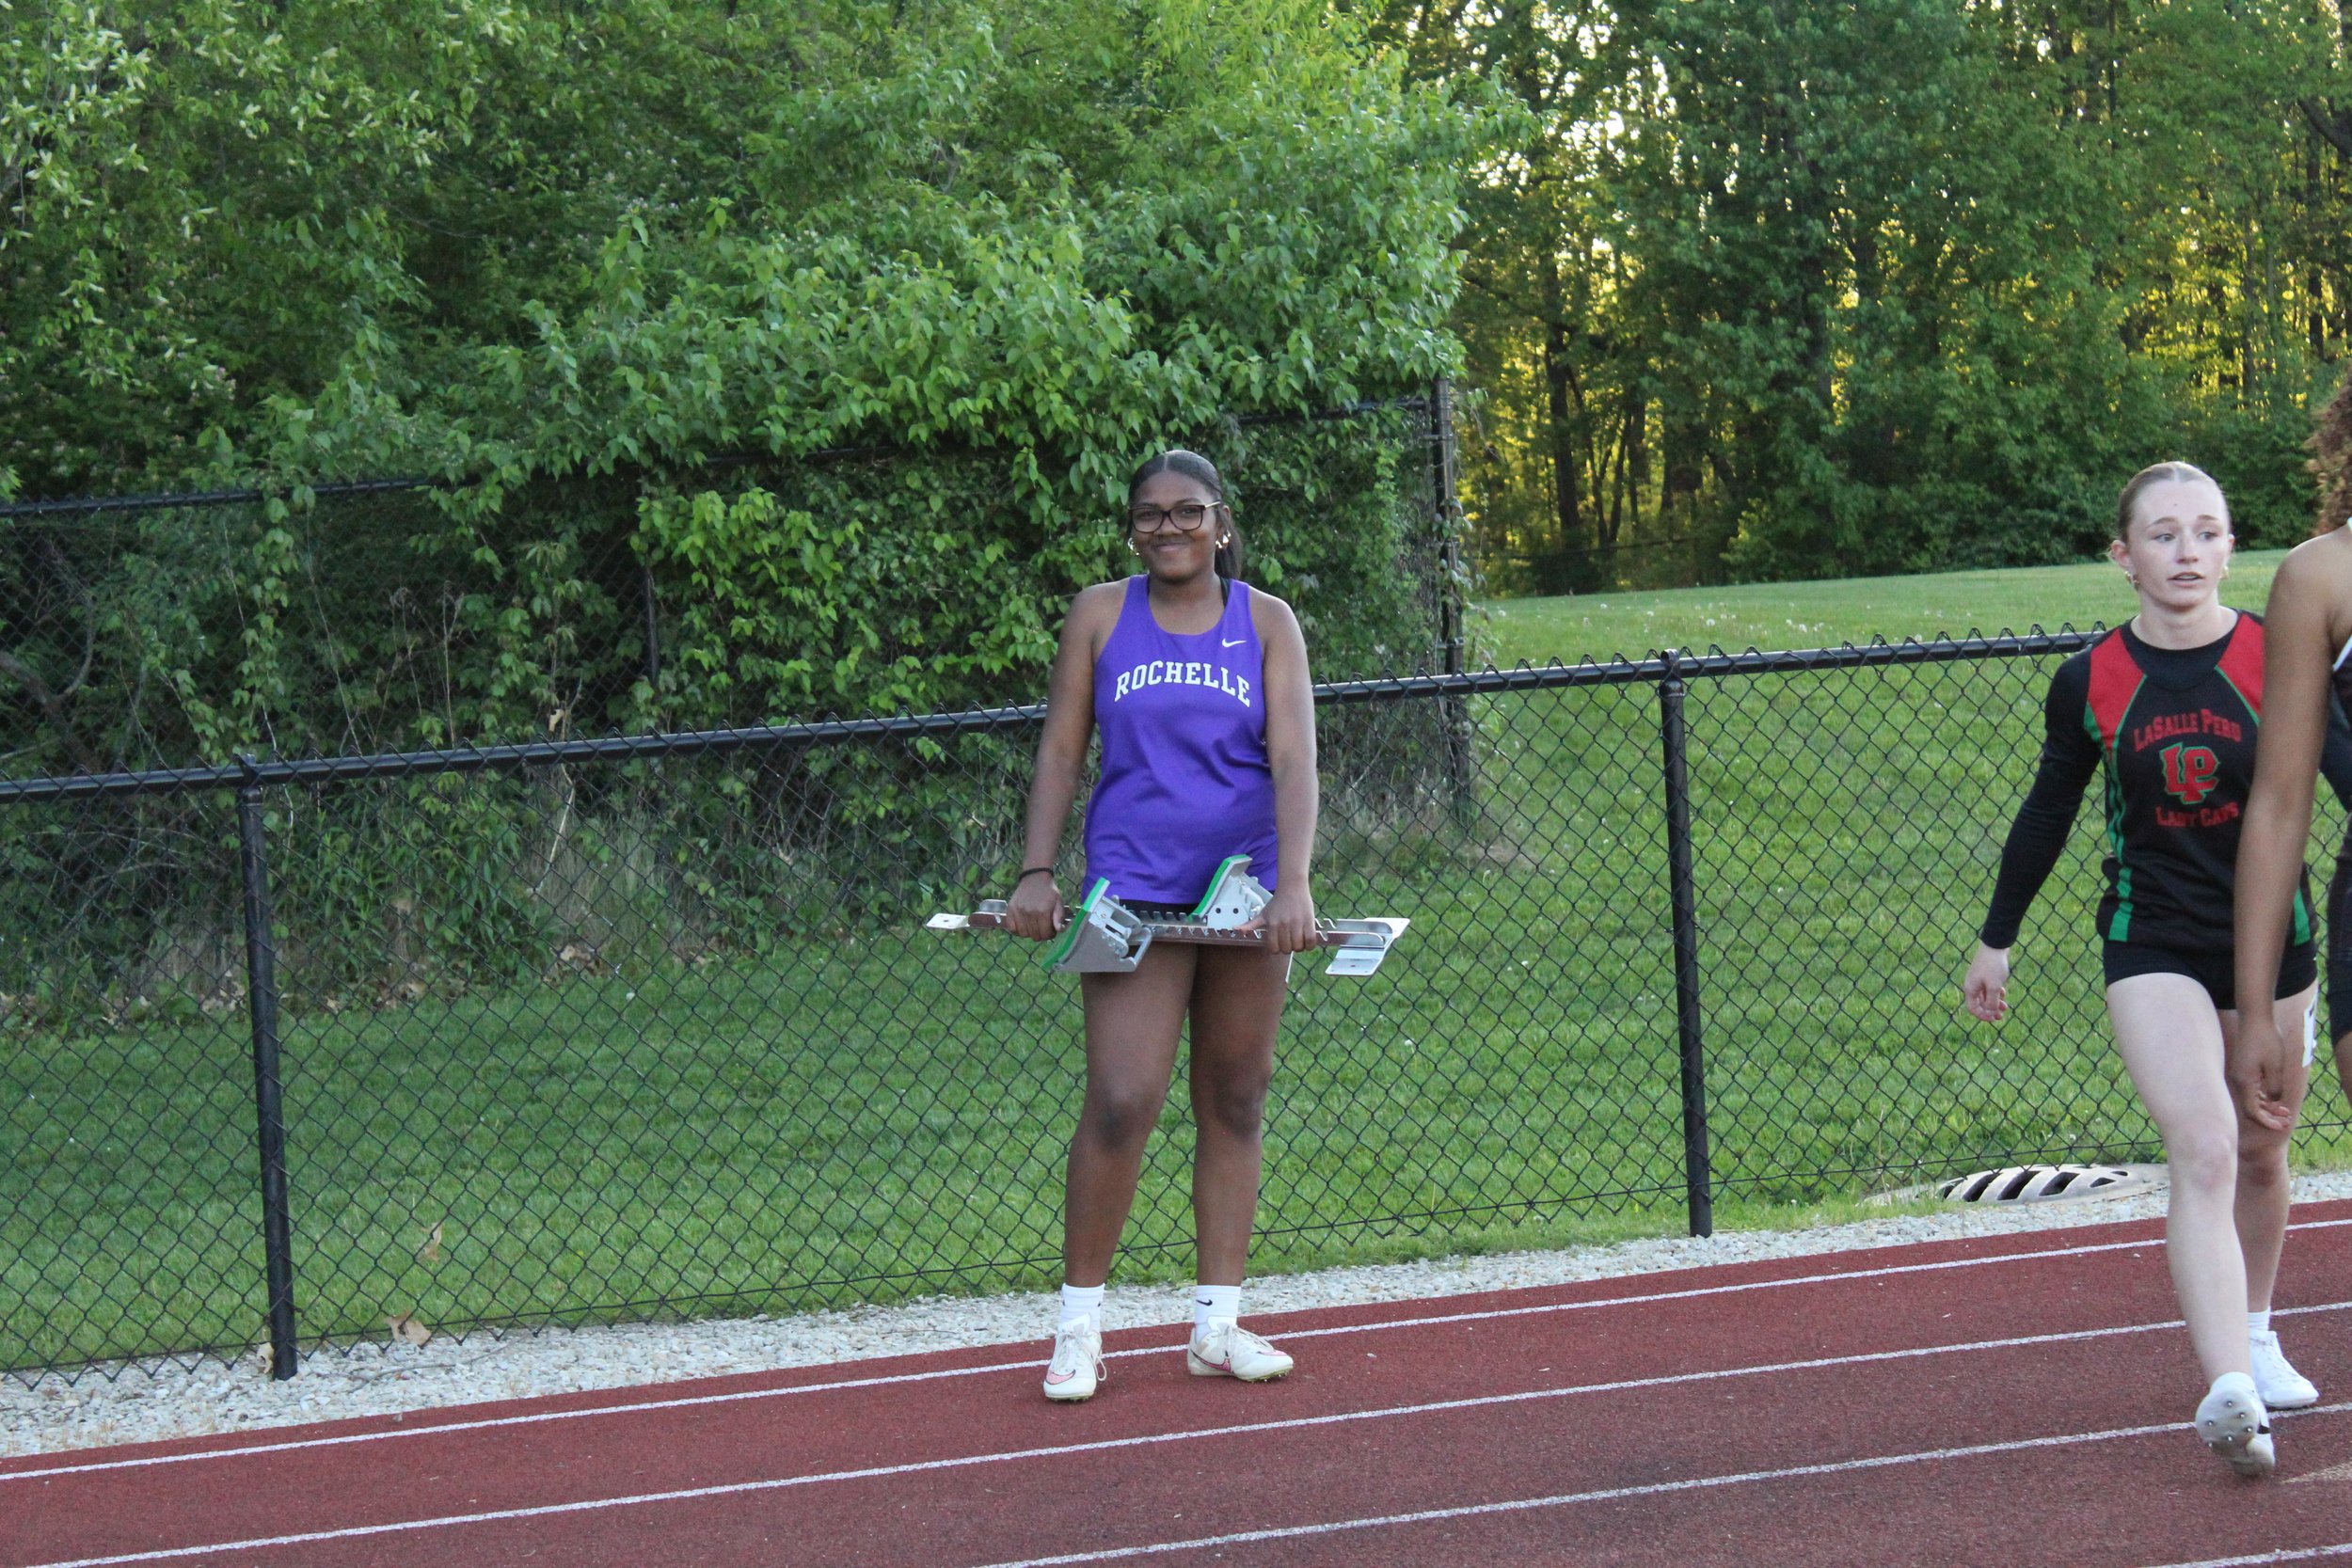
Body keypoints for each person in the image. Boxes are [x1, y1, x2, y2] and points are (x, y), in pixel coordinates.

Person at [1963, 461, 2352, 1479]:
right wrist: (1995, 934)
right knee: (2204, 1142)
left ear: (2232, 549)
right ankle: (2228, 1385)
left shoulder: (2280, 653)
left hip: (2278, 943)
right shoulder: (2089, 676)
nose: (2187, 551)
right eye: (2164, 533)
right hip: (2153, 941)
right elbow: (2048, 809)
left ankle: (2257, 1331)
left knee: (2266, 1148)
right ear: (2121, 554)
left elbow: (2332, 770)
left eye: (2207, 532)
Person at [1004, 449, 1320, 1402]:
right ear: (1132, 528)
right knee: (1121, 1097)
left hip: (1242, 898)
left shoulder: (1266, 621)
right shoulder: (1101, 615)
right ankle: (1077, 1329)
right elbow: (1062, 748)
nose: (1169, 528)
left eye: (1189, 512)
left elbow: (1295, 756)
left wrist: (1294, 883)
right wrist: (1033, 870)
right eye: (1150, 515)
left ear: (1222, 523)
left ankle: (1215, 1325)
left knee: (1234, 1099)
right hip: (1135, 893)